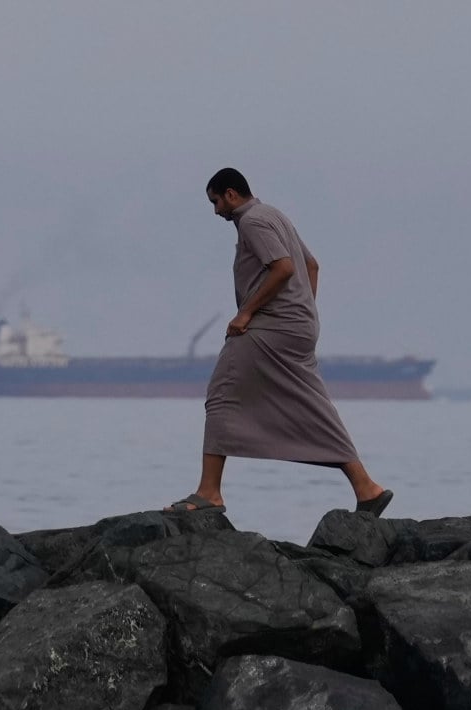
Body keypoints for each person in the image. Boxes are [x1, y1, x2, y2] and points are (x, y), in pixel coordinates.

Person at [165, 167, 392, 518]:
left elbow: (284, 267)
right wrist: (304, 312)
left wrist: (246, 314)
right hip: (298, 327)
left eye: (215, 202)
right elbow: (312, 266)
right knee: (313, 405)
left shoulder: (253, 221)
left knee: (222, 392)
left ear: (231, 194)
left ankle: (209, 492)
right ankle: (367, 488)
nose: (216, 212)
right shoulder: (274, 214)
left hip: (270, 327)